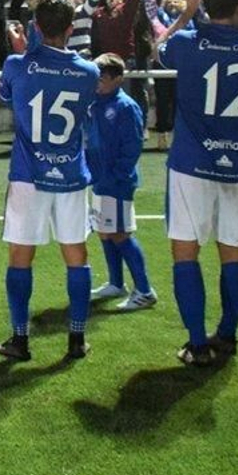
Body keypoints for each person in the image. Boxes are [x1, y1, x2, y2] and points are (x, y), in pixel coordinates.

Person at [157, 0, 238, 366]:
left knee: (186, 253)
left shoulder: (188, 42)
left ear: (207, 5)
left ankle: (196, 344)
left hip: (191, 163)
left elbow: (160, 48)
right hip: (237, 163)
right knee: (233, 252)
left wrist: (187, 15)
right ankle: (227, 334)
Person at [0, 0, 102, 362]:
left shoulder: (17, 65)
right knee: (76, 256)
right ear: (71, 29)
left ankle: (20, 340)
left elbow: (8, 94)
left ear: (35, 27)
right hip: (69, 173)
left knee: (20, 257)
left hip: (28, 175)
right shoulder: (89, 72)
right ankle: (77, 339)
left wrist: (28, 49)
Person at [86, 54, 156, 312]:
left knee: (120, 233)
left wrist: (117, 174)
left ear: (118, 79)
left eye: (102, 79)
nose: (98, 83)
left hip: (116, 182)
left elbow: (133, 146)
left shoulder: (126, 107)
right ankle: (117, 283)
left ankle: (145, 291)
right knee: (105, 231)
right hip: (100, 179)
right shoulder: (95, 101)